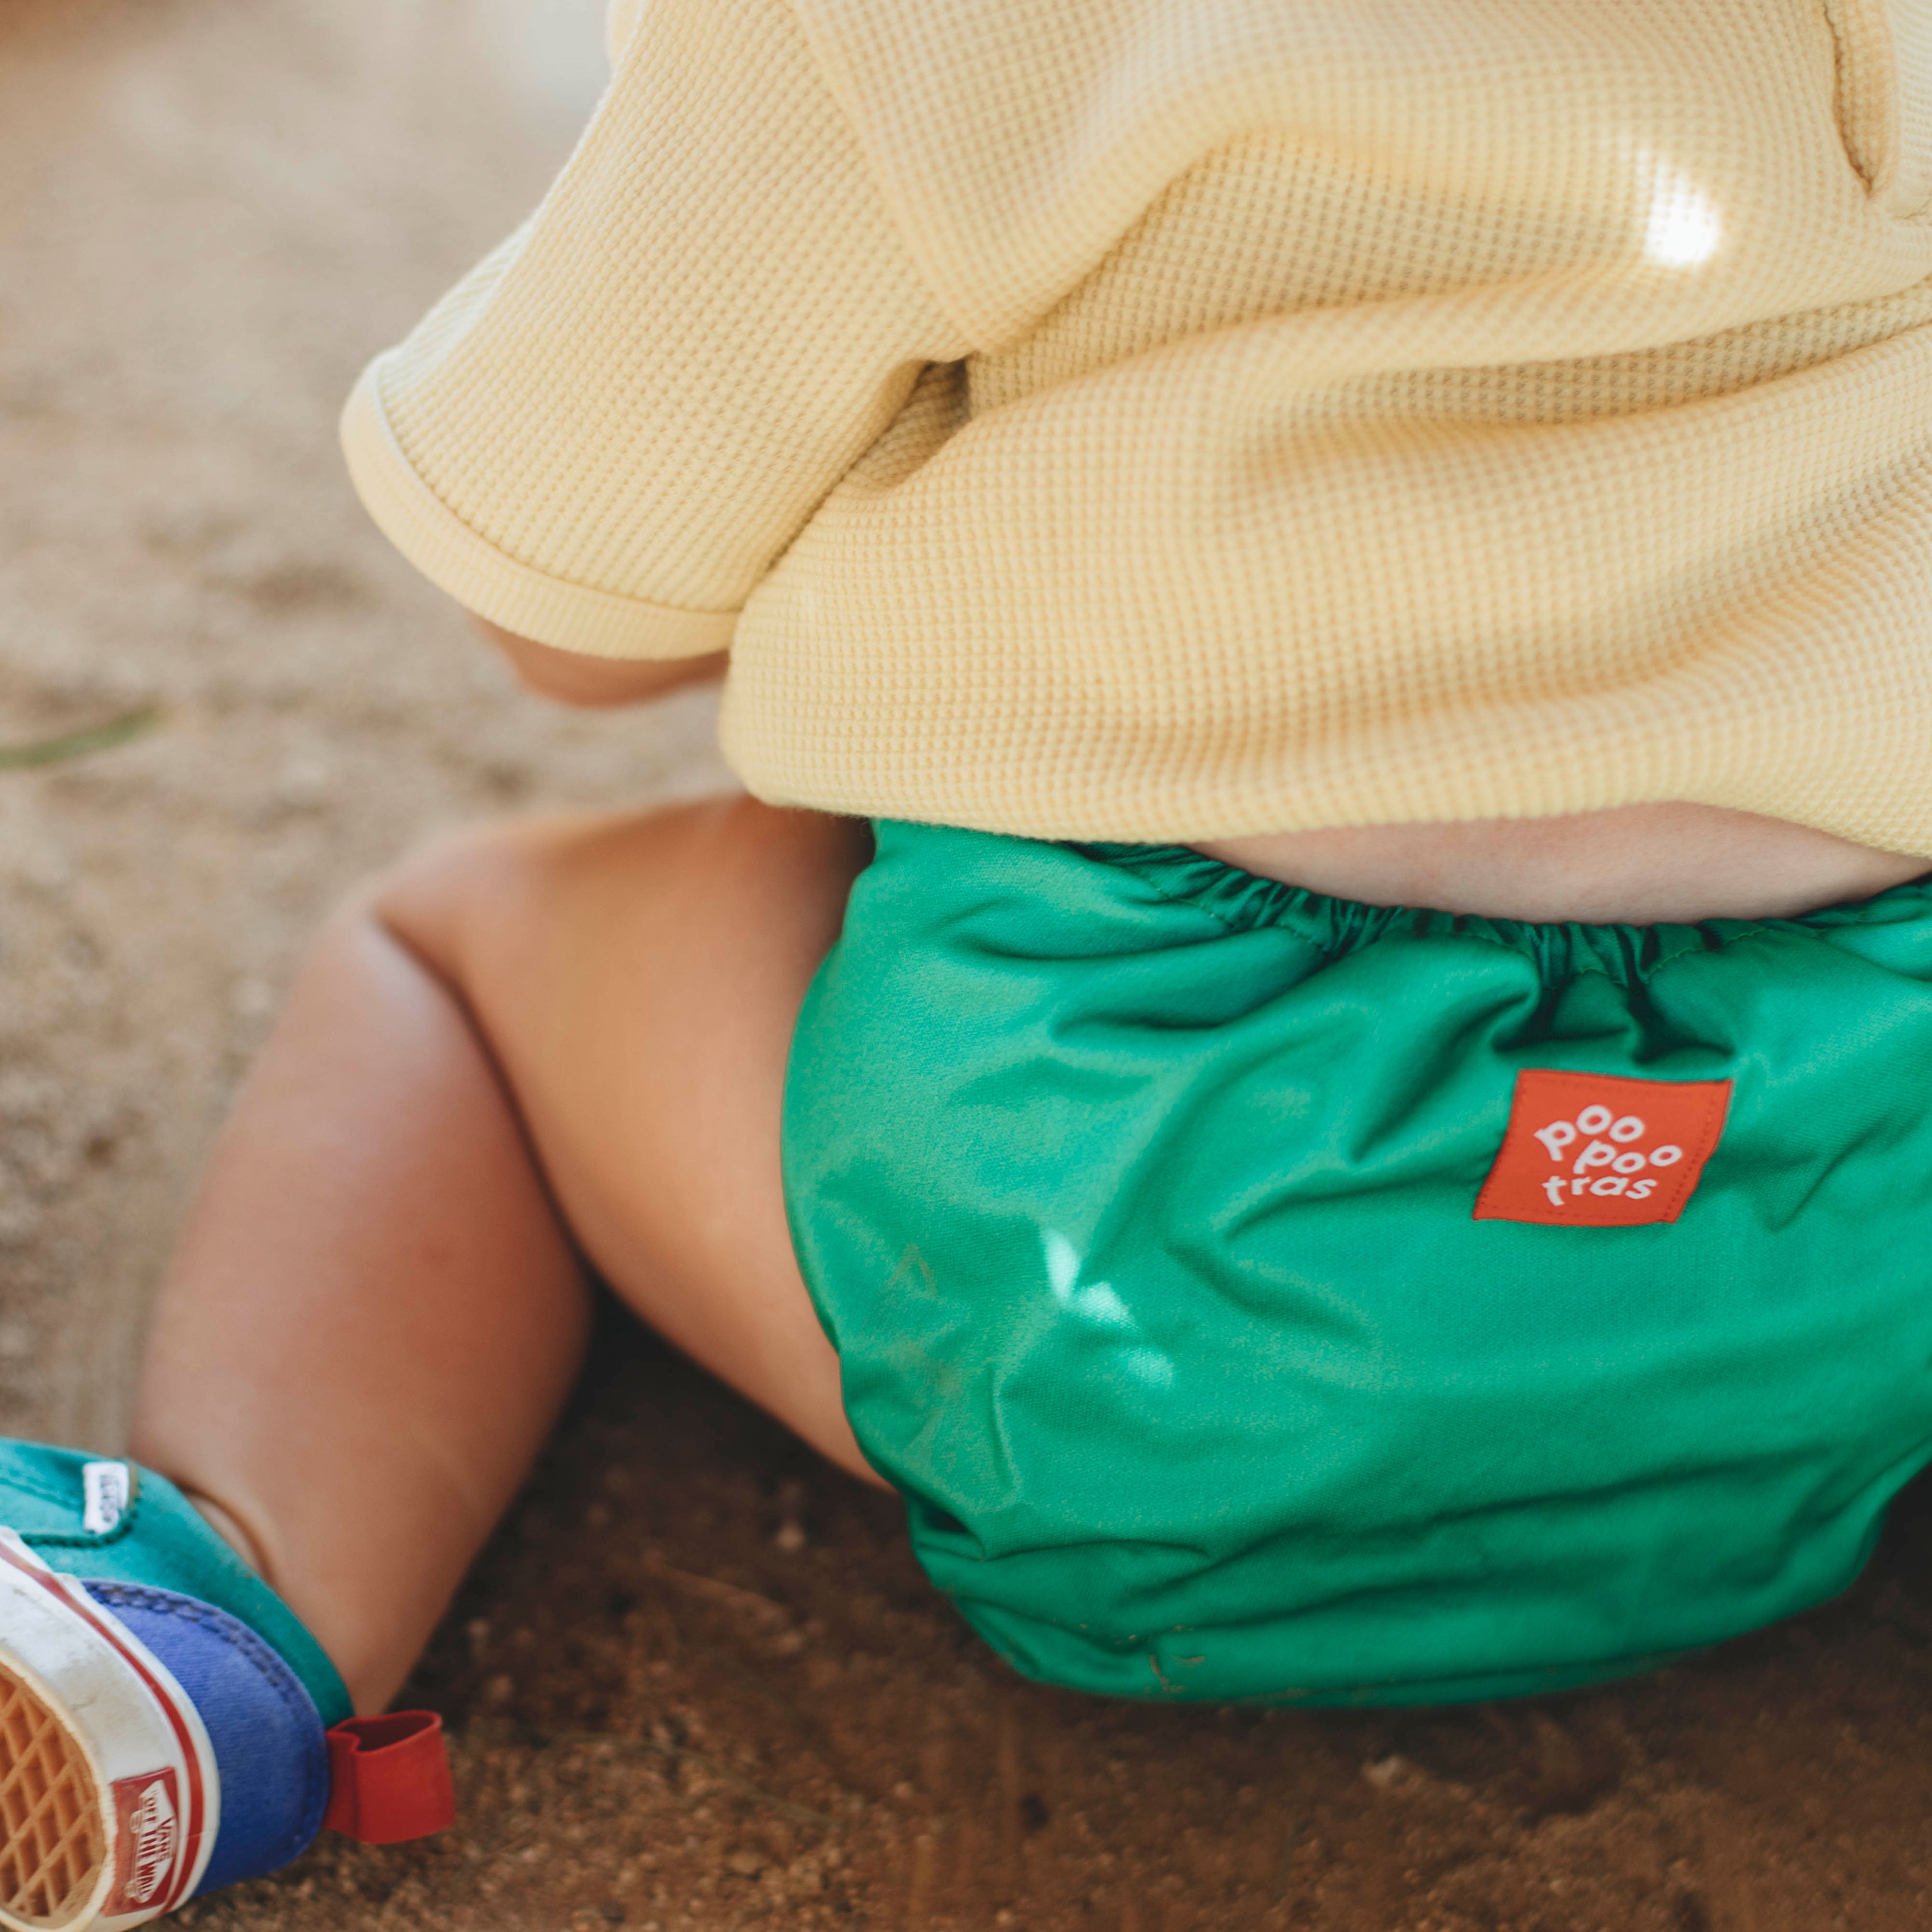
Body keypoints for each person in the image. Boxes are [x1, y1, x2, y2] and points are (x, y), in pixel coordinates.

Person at [9, 0, 1932, 1920]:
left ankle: (224, 1618)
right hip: (1841, 1236)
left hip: (1130, 1263)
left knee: (455, 946)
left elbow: (566, 629)